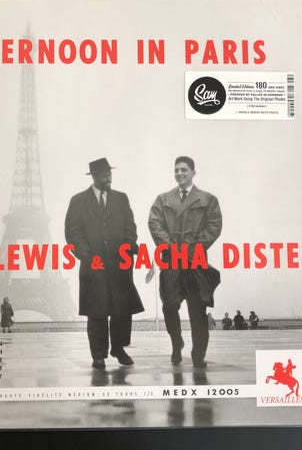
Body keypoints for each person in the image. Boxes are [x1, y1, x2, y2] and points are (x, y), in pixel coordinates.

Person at [65, 158, 144, 370]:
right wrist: (86, 255)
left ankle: (119, 348)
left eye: (109, 173)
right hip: (94, 263)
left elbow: (130, 227)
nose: (108, 176)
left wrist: (128, 249)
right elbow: (72, 232)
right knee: (96, 311)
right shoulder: (78, 201)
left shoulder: (121, 198)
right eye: (103, 174)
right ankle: (98, 355)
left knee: (122, 310)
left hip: (120, 263)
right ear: (93, 176)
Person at [148, 156, 222, 368]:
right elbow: (154, 223)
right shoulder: (163, 199)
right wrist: (170, 246)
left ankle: (198, 354)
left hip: (195, 260)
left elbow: (214, 226)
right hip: (171, 260)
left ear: (193, 173)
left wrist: (193, 248)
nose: (179, 173)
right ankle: (176, 342)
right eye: (176, 170)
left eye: (184, 170)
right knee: (169, 305)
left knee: (197, 309)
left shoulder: (208, 199)